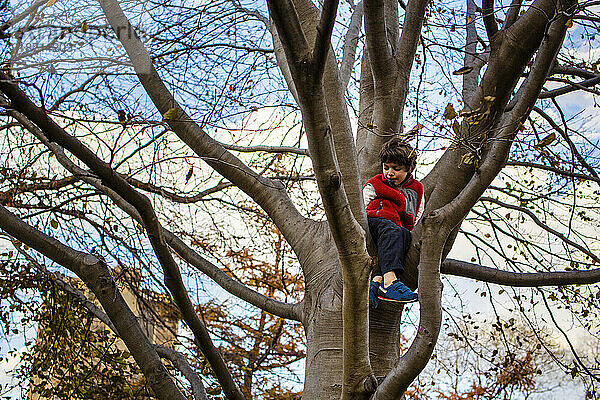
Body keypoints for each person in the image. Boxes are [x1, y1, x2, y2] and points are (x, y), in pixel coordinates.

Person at [364, 137, 424, 307]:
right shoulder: (376, 182)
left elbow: (417, 211)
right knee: (392, 230)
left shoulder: (416, 188)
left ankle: (375, 283)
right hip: (375, 220)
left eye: (396, 169)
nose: (389, 173)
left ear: (409, 169)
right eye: (386, 168)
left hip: (397, 228)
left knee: (403, 235)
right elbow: (362, 203)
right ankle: (390, 282)